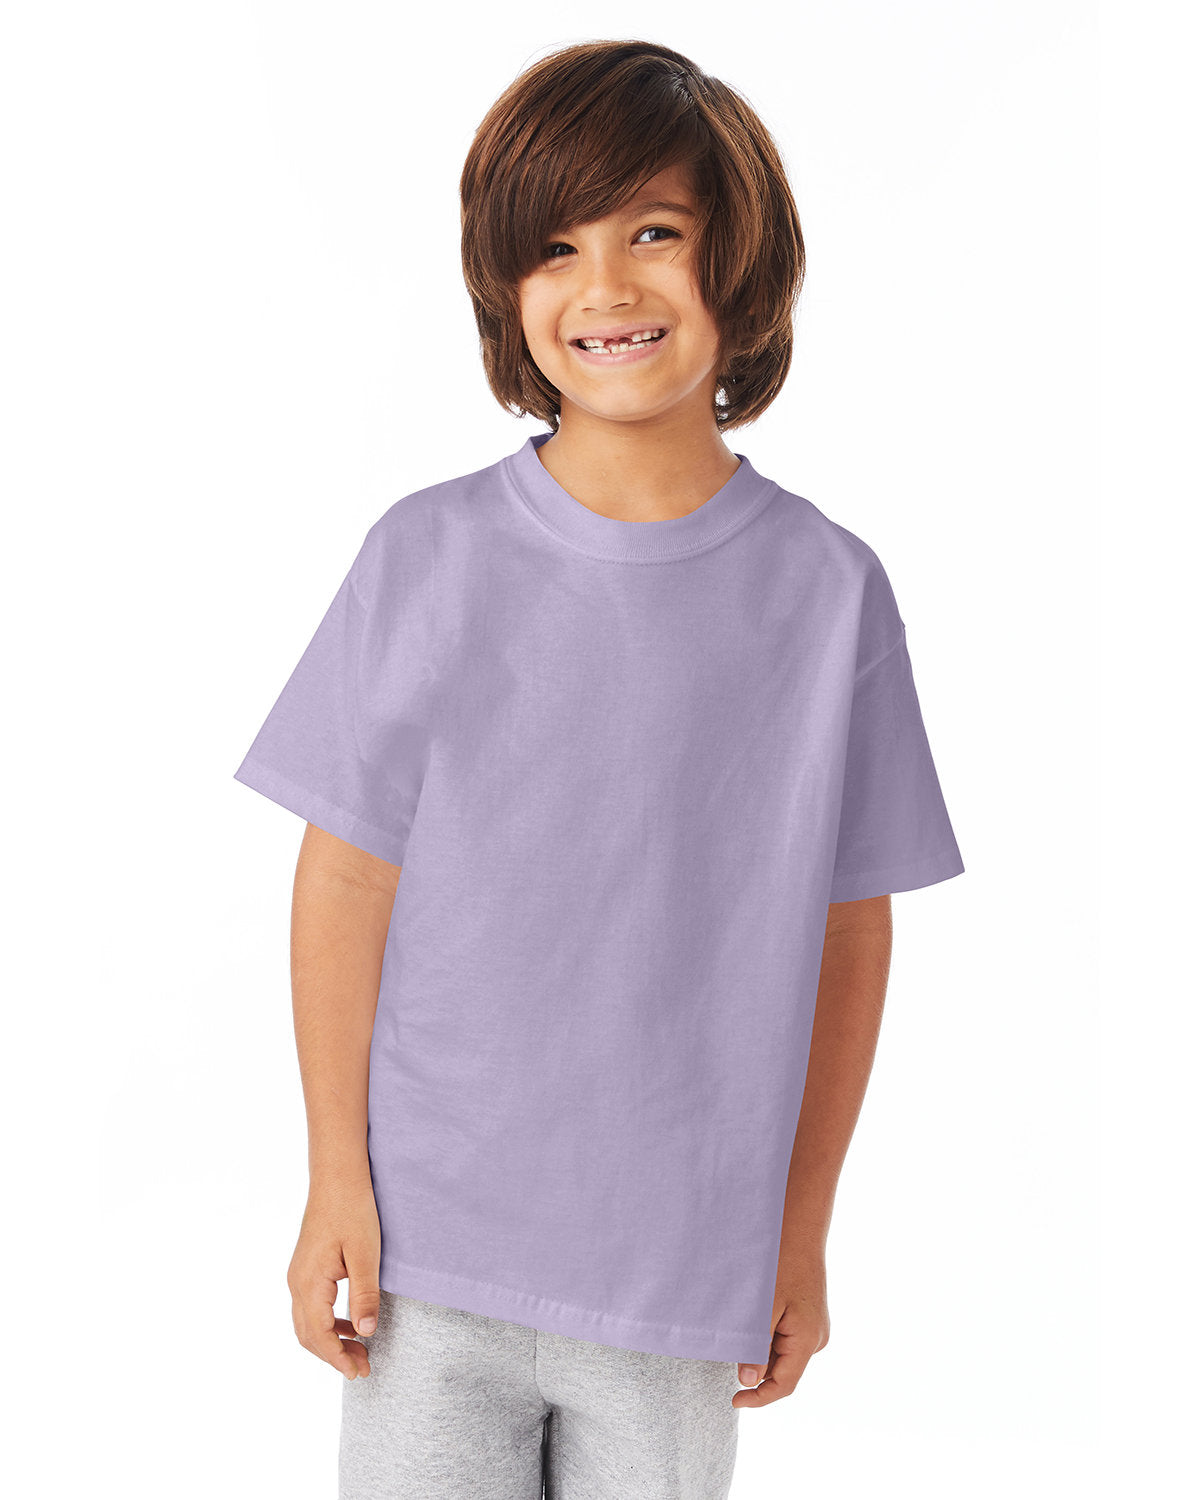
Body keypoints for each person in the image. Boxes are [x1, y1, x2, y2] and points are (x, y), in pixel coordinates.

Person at [233, 38, 965, 1500]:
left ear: (740, 261)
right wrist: (333, 1177)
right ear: (505, 290)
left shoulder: (830, 595)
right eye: (556, 248)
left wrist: (802, 1227)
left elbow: (849, 931)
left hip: (680, 1275)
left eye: (656, 233)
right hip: (427, 1260)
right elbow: (348, 877)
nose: (607, 287)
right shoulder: (426, 557)